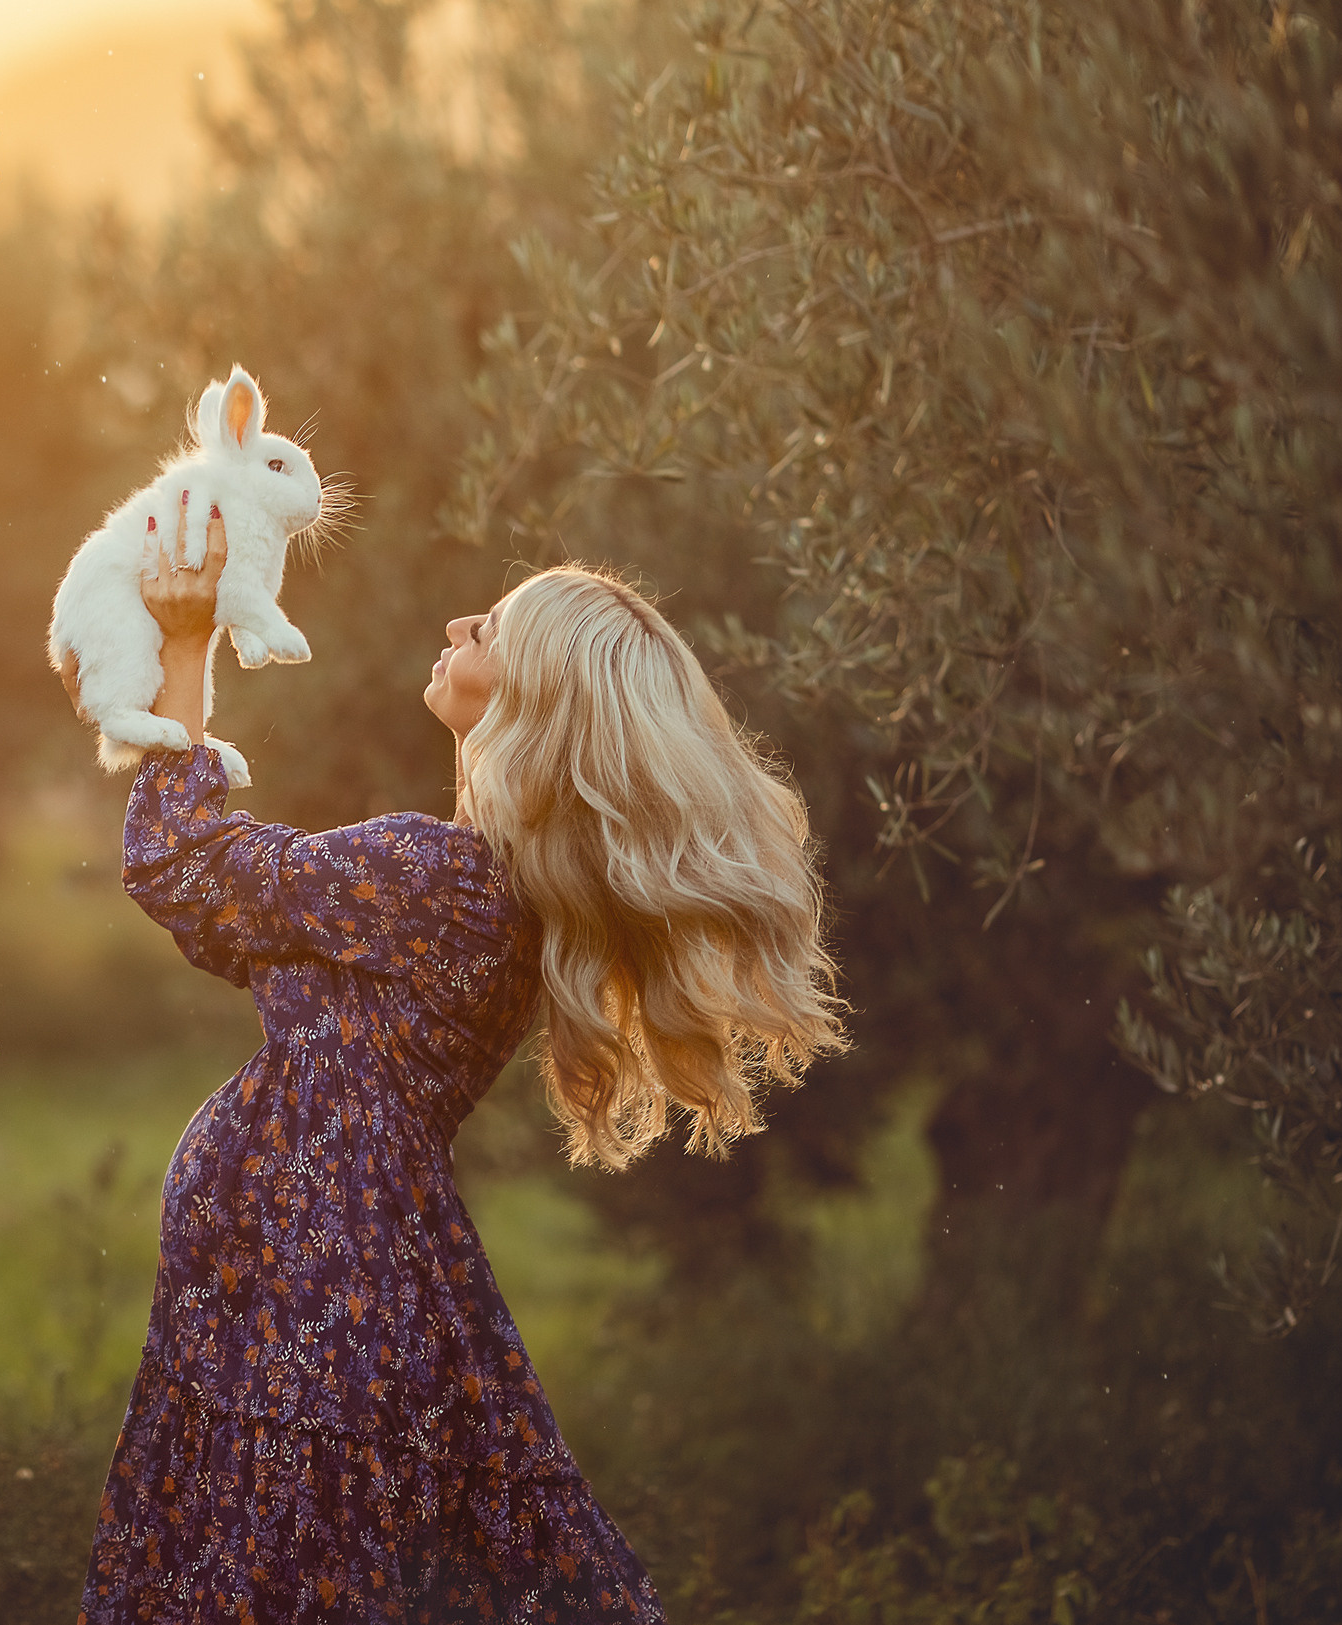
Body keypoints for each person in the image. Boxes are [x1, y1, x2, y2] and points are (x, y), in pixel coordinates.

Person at [67, 509, 845, 1623]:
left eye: (486, 626)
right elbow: (223, 921)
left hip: (310, 1314)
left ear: (529, 693)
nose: (454, 623)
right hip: (324, 1303)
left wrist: (187, 643)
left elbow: (176, 860)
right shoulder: (494, 896)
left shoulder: (433, 875)